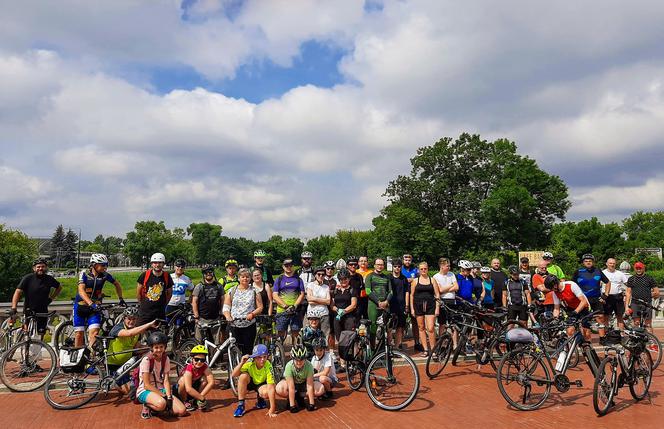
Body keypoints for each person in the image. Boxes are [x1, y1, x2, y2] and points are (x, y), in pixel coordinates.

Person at [73, 253, 125, 347]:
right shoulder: (84, 273)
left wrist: (120, 298)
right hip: (81, 306)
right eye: (102, 265)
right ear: (94, 265)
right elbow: (81, 290)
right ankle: (77, 355)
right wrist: (90, 303)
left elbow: (117, 284)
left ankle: (91, 356)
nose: (105, 268)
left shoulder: (105, 275)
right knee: (79, 334)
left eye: (106, 265)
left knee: (94, 332)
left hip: (95, 308)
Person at [106, 307, 158, 395]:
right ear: (124, 318)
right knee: (126, 391)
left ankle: (145, 378)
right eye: (129, 319)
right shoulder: (118, 328)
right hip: (114, 364)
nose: (131, 321)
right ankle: (113, 381)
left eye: (134, 319)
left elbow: (137, 348)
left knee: (149, 353)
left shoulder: (137, 331)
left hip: (126, 365)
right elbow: (129, 333)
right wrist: (149, 324)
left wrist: (152, 348)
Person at [137, 331, 186, 419]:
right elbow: (146, 385)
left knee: (181, 411)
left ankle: (158, 407)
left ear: (165, 347)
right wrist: (163, 396)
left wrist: (169, 396)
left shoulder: (165, 358)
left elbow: (166, 380)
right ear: (151, 348)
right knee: (161, 404)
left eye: (161, 347)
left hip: (160, 389)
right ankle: (147, 405)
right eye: (156, 347)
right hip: (145, 390)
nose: (159, 350)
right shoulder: (146, 360)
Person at [10, 258, 62, 336]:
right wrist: (14, 307)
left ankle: (39, 347)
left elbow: (59, 287)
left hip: (42, 310)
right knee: (26, 333)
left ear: (46, 268)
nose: (40, 268)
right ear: (34, 268)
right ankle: (25, 347)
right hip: (29, 309)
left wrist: (51, 298)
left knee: (41, 333)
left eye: (43, 266)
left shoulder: (49, 279)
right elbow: (17, 292)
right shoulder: (28, 278)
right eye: (38, 267)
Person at [223, 268, 264, 356]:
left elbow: (260, 307)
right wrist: (228, 316)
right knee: (234, 350)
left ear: (250, 278)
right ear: (238, 278)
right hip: (234, 324)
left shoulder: (254, 291)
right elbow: (226, 306)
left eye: (247, 277)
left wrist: (252, 314)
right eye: (242, 277)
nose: (245, 279)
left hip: (248, 325)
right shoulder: (232, 291)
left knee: (247, 351)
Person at [232, 344, 277, 418]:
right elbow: (234, 375)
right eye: (259, 357)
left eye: (264, 357)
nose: (262, 359)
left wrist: (272, 408)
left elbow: (271, 387)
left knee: (266, 393)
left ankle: (260, 399)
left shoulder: (268, 365)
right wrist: (242, 363)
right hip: (250, 382)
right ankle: (241, 405)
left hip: (261, 384)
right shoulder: (249, 362)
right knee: (243, 376)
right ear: (255, 358)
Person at [572, 254, 611, 338]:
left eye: (590, 261)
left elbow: (608, 282)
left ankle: (602, 338)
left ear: (593, 262)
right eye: (586, 261)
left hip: (597, 298)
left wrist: (605, 295)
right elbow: (572, 285)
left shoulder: (598, 270)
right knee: (585, 320)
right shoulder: (578, 271)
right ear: (583, 263)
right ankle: (587, 340)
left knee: (600, 317)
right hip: (584, 300)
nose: (588, 262)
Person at [276, 344, 321, 412]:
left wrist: (311, 404)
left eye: (301, 360)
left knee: (320, 389)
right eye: (296, 360)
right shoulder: (289, 366)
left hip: (303, 384)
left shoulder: (309, 366)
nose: (299, 363)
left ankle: (300, 396)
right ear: (292, 358)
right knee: (279, 388)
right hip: (293, 385)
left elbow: (310, 386)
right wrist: (292, 406)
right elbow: (291, 387)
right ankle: (292, 399)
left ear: (305, 359)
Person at [410, 262, 439, 356]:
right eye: (421, 269)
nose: (423, 270)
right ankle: (426, 349)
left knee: (430, 328)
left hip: (430, 305)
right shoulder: (415, 281)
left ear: (427, 269)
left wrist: (437, 308)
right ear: (419, 270)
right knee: (421, 327)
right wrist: (412, 309)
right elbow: (412, 295)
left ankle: (433, 349)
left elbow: (437, 294)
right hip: (418, 306)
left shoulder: (432, 280)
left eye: (425, 269)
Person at [272, 259, 305, 343]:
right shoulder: (279, 279)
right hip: (282, 310)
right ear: (283, 267)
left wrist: (295, 306)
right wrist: (285, 306)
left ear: (293, 267)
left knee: (295, 332)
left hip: (295, 310)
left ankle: (294, 350)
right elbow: (275, 295)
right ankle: (279, 351)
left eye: (290, 265)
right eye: (286, 265)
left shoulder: (298, 279)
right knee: (280, 333)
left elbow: (302, 294)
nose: (289, 267)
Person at [136, 253, 174, 326]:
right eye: (155, 263)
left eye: (160, 263)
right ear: (152, 264)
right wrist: (141, 304)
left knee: (159, 334)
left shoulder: (166, 276)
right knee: (140, 331)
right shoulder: (145, 275)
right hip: (145, 311)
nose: (157, 265)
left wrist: (164, 304)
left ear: (163, 264)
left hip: (159, 311)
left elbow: (170, 293)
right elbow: (138, 292)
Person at [175, 345, 215, 411]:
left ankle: (196, 400)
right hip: (182, 391)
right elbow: (188, 389)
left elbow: (211, 382)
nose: (199, 362)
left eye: (202, 360)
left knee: (205, 379)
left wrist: (200, 397)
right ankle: (185, 401)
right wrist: (202, 398)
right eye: (196, 359)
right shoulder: (189, 368)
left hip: (194, 390)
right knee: (182, 380)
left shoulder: (205, 367)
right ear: (192, 359)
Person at [192, 264, 224, 343]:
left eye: (210, 272)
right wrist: (196, 316)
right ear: (203, 274)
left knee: (217, 344)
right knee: (199, 343)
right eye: (206, 272)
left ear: (213, 273)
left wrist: (221, 312)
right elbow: (194, 301)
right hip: (202, 318)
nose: (208, 274)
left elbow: (223, 299)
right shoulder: (199, 286)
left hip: (215, 318)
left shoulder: (219, 286)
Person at [625, 262, 660, 332]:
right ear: (634, 269)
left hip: (647, 303)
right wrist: (626, 307)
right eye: (637, 268)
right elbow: (628, 293)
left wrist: (649, 295)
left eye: (640, 268)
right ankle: (637, 340)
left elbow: (657, 292)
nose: (638, 270)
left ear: (643, 268)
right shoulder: (631, 279)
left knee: (648, 325)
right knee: (636, 323)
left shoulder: (649, 278)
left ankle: (650, 340)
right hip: (635, 303)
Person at [365, 258, 392, 344]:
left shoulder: (387, 277)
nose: (380, 266)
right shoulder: (370, 276)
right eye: (378, 264)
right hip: (373, 305)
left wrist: (386, 302)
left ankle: (383, 350)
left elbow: (391, 291)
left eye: (381, 265)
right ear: (374, 265)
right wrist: (378, 302)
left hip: (385, 304)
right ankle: (372, 350)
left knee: (385, 327)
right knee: (373, 326)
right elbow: (368, 291)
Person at [331, 268, 358, 350]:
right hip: (338, 317)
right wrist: (337, 310)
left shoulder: (352, 290)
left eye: (345, 279)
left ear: (348, 279)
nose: (343, 281)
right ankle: (342, 361)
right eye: (341, 279)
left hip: (349, 317)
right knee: (340, 340)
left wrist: (344, 311)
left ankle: (351, 360)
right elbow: (331, 305)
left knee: (349, 338)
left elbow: (353, 305)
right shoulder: (336, 291)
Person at [433, 257, 458, 340]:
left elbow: (457, 287)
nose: (449, 268)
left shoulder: (452, 274)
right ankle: (441, 343)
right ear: (441, 266)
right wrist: (451, 285)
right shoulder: (436, 277)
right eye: (447, 266)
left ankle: (455, 345)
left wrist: (445, 289)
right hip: (442, 301)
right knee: (442, 324)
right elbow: (439, 290)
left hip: (452, 301)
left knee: (453, 324)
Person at [402, 254, 422, 352]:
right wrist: (408, 280)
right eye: (406, 259)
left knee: (415, 322)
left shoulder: (416, 270)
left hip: (414, 298)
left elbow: (420, 279)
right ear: (403, 260)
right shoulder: (399, 269)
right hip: (402, 298)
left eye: (409, 259)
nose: (407, 261)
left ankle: (417, 343)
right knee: (401, 323)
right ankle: (399, 343)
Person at [388, 258, 410, 349]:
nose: (397, 268)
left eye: (399, 267)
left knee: (400, 327)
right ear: (392, 267)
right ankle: (389, 345)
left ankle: (397, 347)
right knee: (389, 327)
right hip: (390, 305)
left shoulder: (404, 279)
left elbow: (407, 292)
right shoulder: (388, 278)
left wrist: (407, 305)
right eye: (395, 266)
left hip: (401, 306)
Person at [306, 266, 331, 341]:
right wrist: (323, 300)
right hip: (312, 313)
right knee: (311, 335)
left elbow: (328, 302)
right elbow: (309, 300)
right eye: (319, 274)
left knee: (324, 335)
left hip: (324, 313)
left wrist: (314, 299)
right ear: (315, 275)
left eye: (323, 275)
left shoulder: (326, 287)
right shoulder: (310, 285)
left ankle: (324, 352)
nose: (321, 276)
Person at [602, 258, 629, 330]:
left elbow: (628, 285)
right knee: (606, 317)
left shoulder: (620, 274)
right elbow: (597, 284)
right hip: (607, 297)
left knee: (620, 316)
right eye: (610, 263)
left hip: (618, 297)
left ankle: (621, 334)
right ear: (607, 264)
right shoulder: (602, 273)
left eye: (613, 263)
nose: (612, 265)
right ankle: (606, 335)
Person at [166, 259, 193, 325]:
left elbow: (192, 290)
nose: (180, 268)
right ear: (174, 267)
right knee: (167, 325)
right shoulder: (168, 277)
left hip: (181, 307)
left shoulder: (187, 279)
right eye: (178, 266)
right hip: (169, 305)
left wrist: (189, 301)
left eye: (182, 267)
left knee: (179, 326)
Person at [322, 260, 338, 353]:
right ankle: (321, 351)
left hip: (332, 309)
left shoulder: (336, 281)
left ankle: (331, 351)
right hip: (322, 308)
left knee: (332, 331)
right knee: (321, 331)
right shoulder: (321, 279)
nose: (330, 270)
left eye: (332, 268)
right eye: (328, 268)